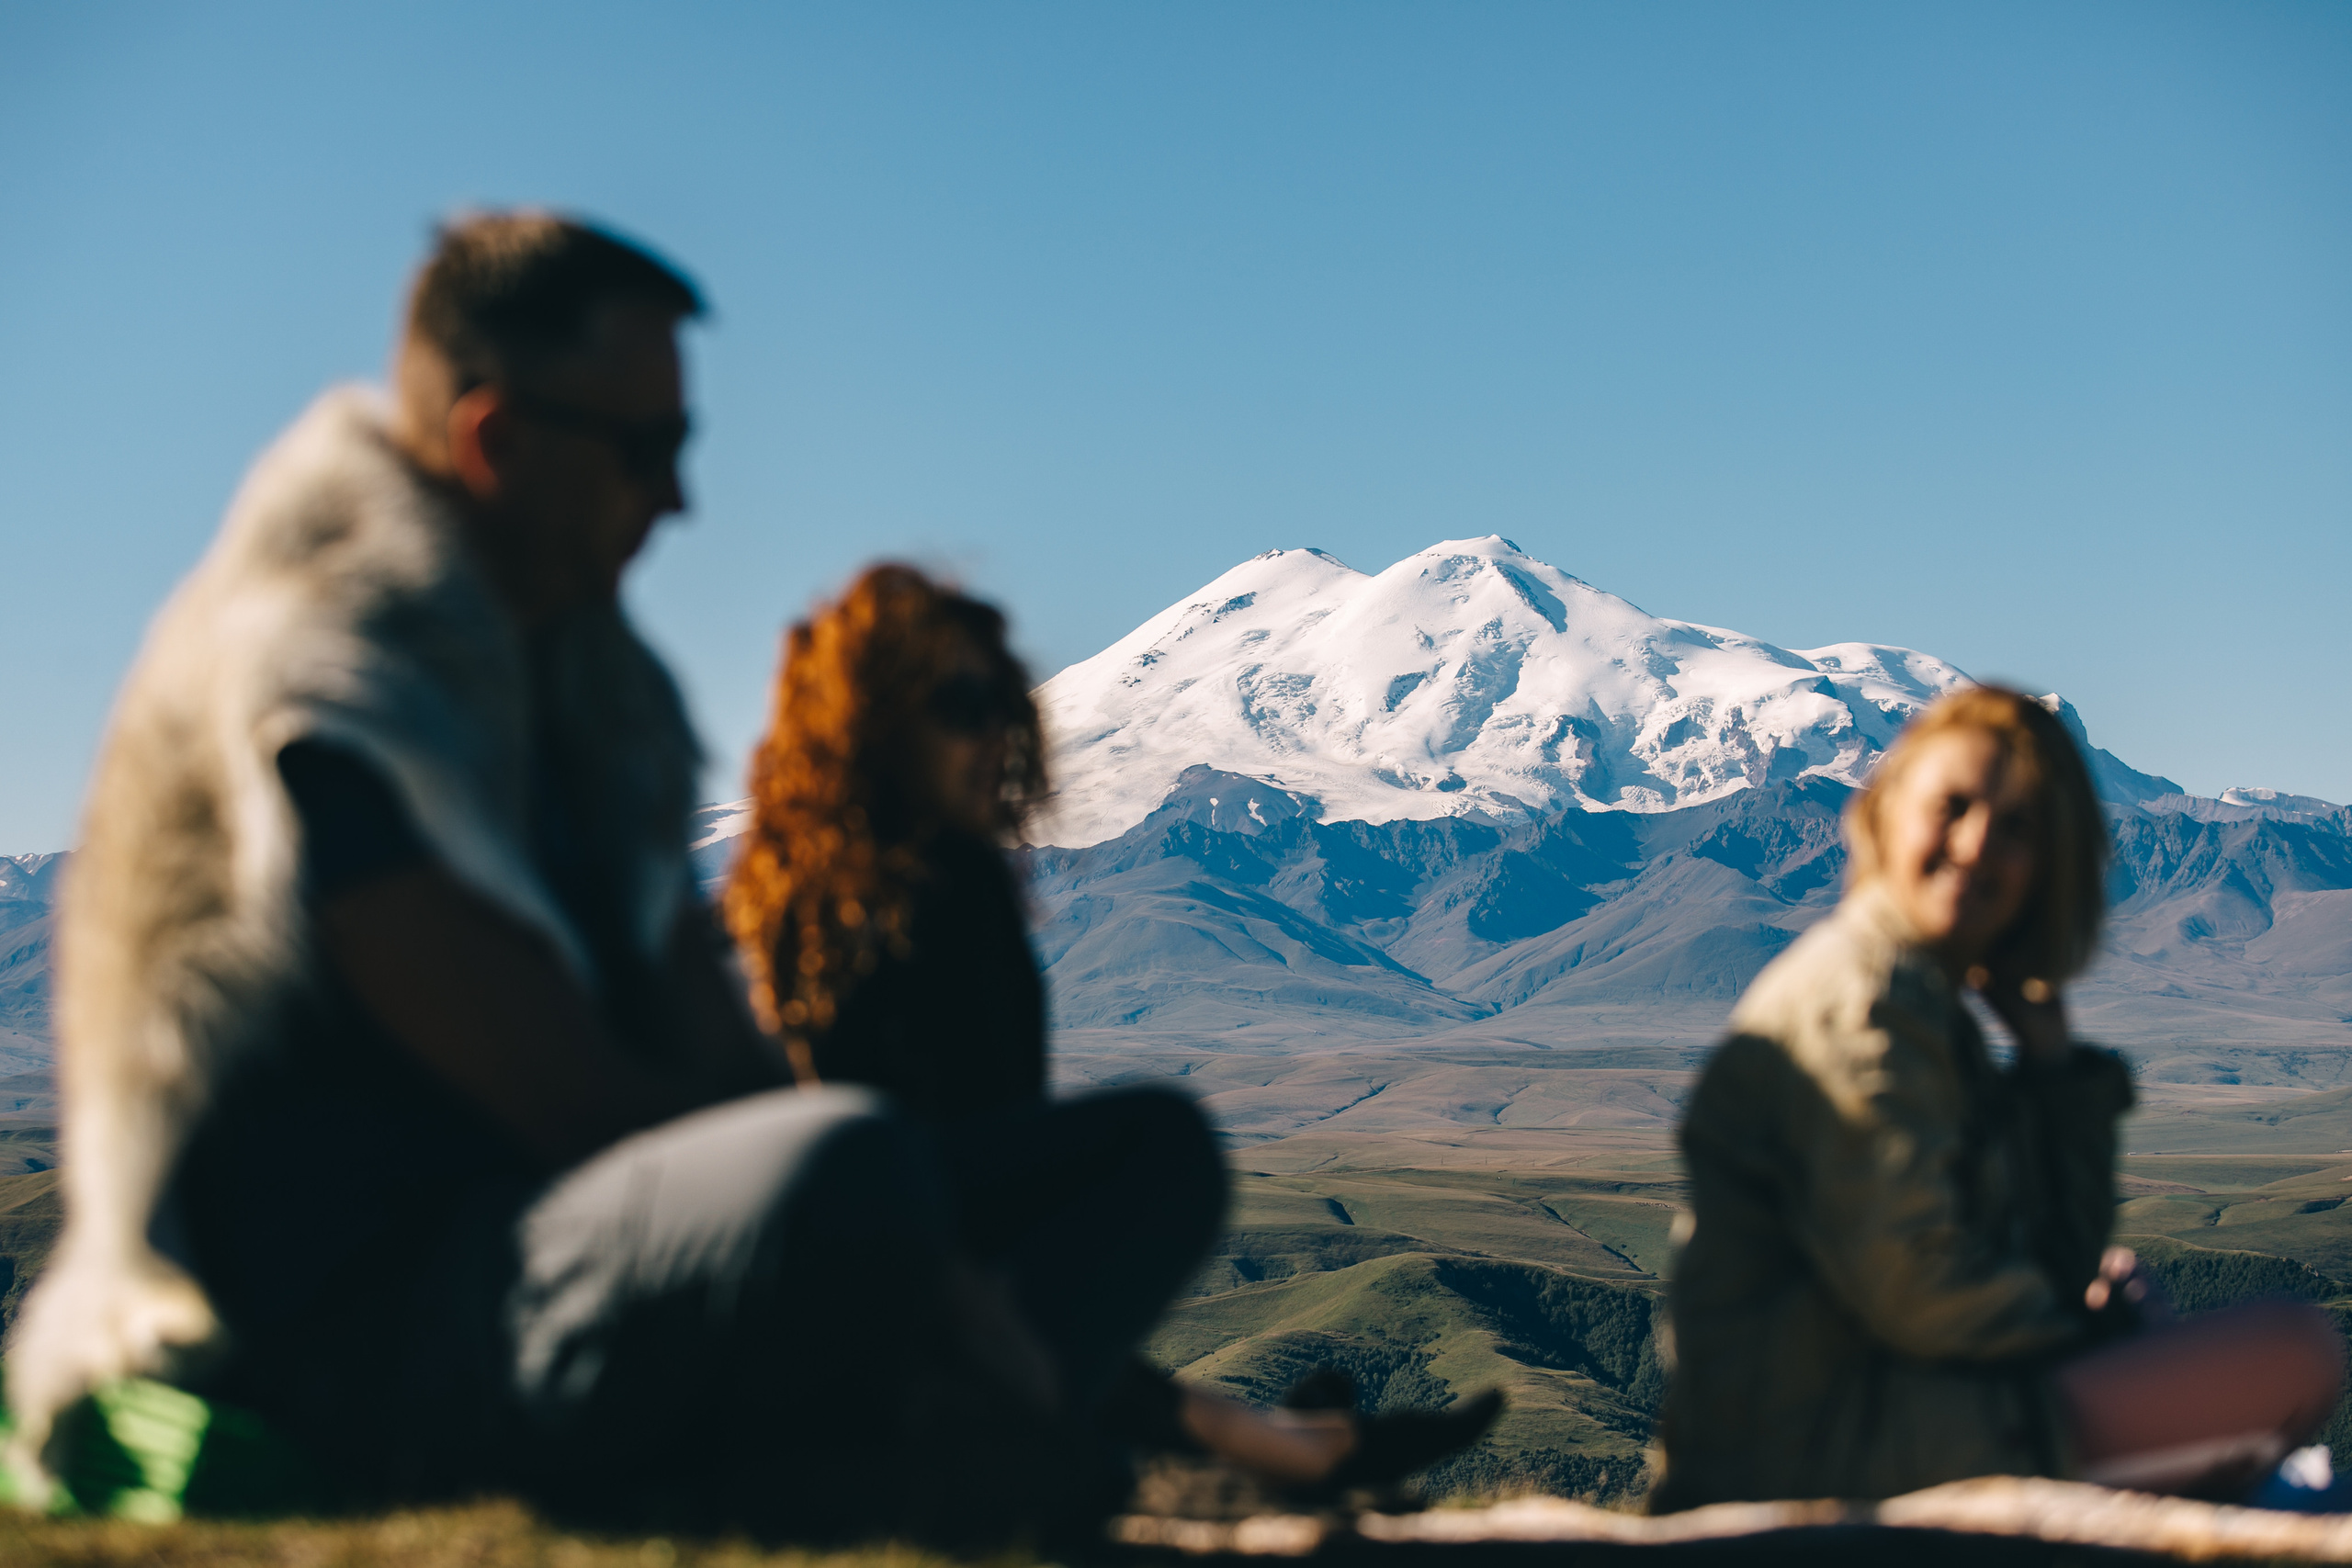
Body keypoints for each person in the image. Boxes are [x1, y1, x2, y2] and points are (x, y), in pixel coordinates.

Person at [7, 212, 1148, 1536]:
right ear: (496, 440)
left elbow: (703, 1030)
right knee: (850, 1166)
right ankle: (861, 1460)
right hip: (360, 1319)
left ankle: (850, 1458)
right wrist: (914, 1266)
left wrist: (880, 1231)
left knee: (1142, 1156)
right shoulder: (327, 679)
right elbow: (557, 1090)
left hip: (568, 1258)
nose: (680, 500)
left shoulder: (603, 699)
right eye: (647, 449)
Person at [723, 562, 1502, 1495]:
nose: (993, 733)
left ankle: (1282, 1447)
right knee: (1163, 1147)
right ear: (876, 719)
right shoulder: (932, 895)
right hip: (876, 1278)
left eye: (1002, 703)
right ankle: (1197, 1448)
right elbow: (951, 1201)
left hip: (840, 1283)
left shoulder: (789, 892)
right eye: (961, 704)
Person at [1650, 685, 2344, 1511]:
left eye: (2016, 826)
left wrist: (2051, 1063)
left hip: (1856, 1421)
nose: (1978, 843)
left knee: (2164, 1311)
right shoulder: (1863, 1001)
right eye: (1953, 806)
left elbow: (2014, 1253)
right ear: (1884, 814)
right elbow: (1919, 1285)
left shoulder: (1919, 1001)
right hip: (1824, 1449)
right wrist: (2092, 1332)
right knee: (2293, 1350)